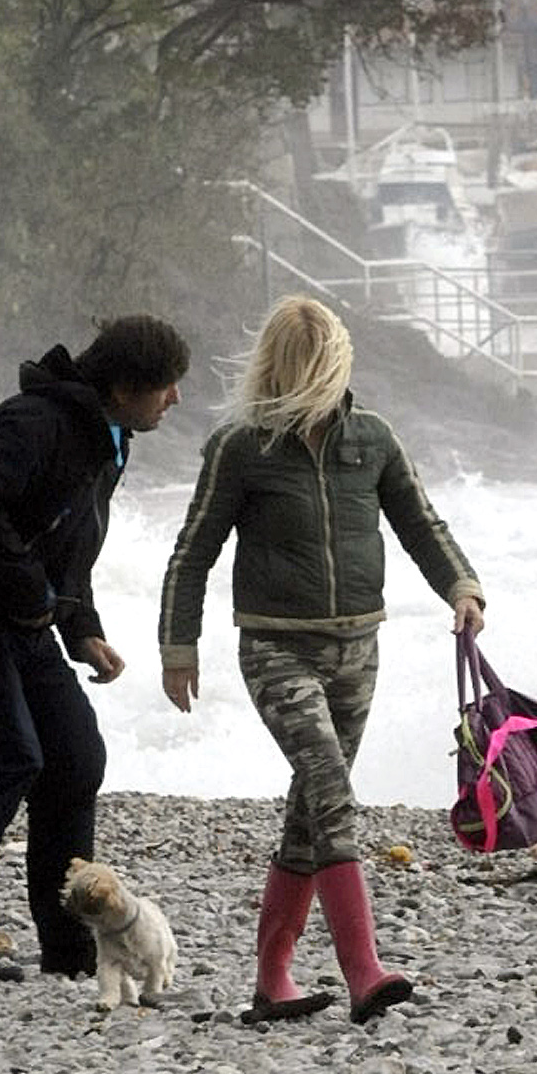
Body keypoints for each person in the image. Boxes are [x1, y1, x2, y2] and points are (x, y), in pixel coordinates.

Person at [158, 294, 483, 1024]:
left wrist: (461, 587)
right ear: (280, 368)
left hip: (357, 647)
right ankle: (362, 969)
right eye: (304, 371)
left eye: (325, 370)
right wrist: (179, 647)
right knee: (332, 790)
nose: (317, 386)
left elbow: (420, 522)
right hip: (276, 646)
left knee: (310, 812)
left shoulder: (371, 439)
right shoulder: (241, 447)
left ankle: (273, 977)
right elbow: (192, 553)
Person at [0, 313, 190, 988]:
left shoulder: (103, 436)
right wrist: (33, 597)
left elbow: (65, 547)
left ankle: (71, 946)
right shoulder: (35, 423)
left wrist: (79, 626)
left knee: (75, 758)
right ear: (124, 385)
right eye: (167, 385)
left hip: (16, 616)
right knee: (5, 762)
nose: (175, 399)